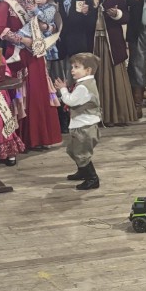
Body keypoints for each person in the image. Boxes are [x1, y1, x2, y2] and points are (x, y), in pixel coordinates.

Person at [0, 0, 63, 150]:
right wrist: (23, 40)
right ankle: (22, 137)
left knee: (38, 93)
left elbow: (49, 23)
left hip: (36, 53)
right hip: (18, 53)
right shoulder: (5, 5)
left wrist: (46, 26)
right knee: (22, 94)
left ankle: (39, 137)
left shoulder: (31, 1)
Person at [89, 0, 139, 126]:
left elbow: (126, 17)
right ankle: (91, 116)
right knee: (91, 77)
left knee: (113, 78)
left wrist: (117, 14)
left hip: (111, 43)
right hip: (91, 42)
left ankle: (112, 115)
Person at [52, 0, 96, 132]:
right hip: (59, 43)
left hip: (78, 43)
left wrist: (87, 13)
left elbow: (90, 24)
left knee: (77, 81)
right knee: (60, 79)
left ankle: (77, 116)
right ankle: (62, 118)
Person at [54, 52, 102, 190]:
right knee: (73, 150)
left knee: (82, 153)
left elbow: (70, 101)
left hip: (84, 127)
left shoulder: (83, 87)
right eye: (72, 67)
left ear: (88, 70)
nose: (72, 70)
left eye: (76, 67)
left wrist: (62, 89)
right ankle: (83, 171)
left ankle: (92, 179)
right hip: (82, 124)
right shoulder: (86, 83)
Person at [8, 0, 58, 64]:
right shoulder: (36, 6)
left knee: (43, 60)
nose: (38, 0)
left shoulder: (51, 7)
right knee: (21, 35)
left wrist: (36, 10)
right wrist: (30, 10)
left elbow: (45, 19)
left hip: (45, 35)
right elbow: (30, 17)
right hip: (34, 30)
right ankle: (16, 54)